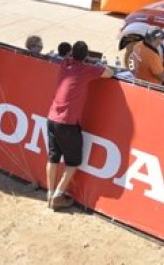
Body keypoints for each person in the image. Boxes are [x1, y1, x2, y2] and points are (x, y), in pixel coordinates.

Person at [46, 40, 114, 210]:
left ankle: (49, 193)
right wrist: (91, 62)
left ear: (71, 53)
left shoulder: (64, 65)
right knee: (73, 163)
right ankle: (58, 195)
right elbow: (110, 73)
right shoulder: (86, 70)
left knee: (53, 158)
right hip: (68, 122)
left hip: (52, 117)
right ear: (85, 56)